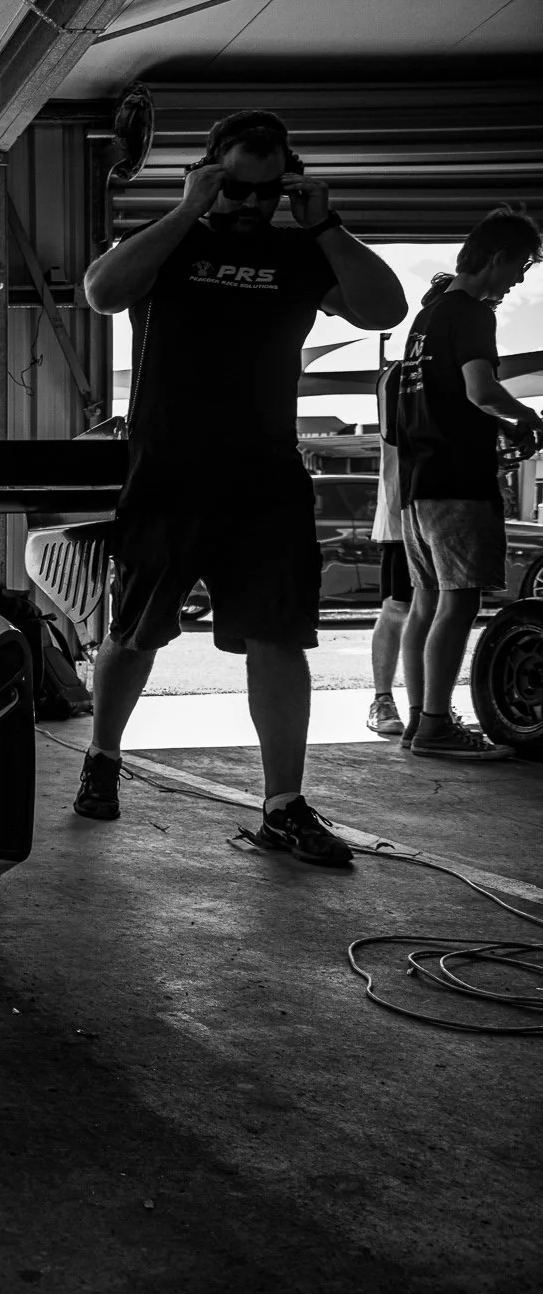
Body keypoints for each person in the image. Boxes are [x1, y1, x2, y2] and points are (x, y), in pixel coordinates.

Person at [76, 108, 406, 865]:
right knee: (134, 634)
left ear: (287, 183)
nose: (251, 205)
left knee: (280, 638)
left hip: (265, 476)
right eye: (236, 188)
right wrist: (191, 208)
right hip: (169, 472)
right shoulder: (173, 240)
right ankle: (101, 756)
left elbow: (385, 306)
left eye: (267, 191)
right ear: (210, 176)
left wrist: (326, 225)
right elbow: (101, 291)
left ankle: (282, 805)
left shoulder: (302, 253)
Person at [393, 207, 543, 760]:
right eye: (521, 265)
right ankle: (434, 725)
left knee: (426, 602)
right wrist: (528, 419)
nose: (521, 279)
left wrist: (497, 427)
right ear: (498, 257)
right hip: (457, 480)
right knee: (459, 602)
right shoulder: (473, 314)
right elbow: (481, 390)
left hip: (417, 482)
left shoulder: (426, 318)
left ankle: (419, 721)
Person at [365, 383, 410, 736]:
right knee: (398, 609)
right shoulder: (398, 375)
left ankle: (430, 707)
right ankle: (382, 700)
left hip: (436, 510)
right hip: (403, 515)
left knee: (444, 612)